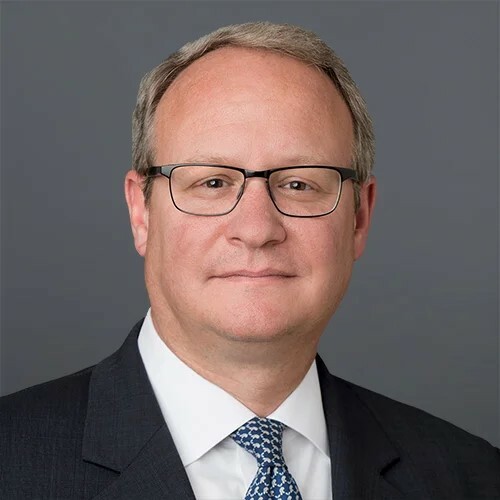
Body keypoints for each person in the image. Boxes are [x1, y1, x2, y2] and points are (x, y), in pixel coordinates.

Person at [1, 21, 498, 500]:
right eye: (212, 182)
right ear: (141, 213)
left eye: (299, 183)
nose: (257, 230)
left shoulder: (472, 477)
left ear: (359, 218)